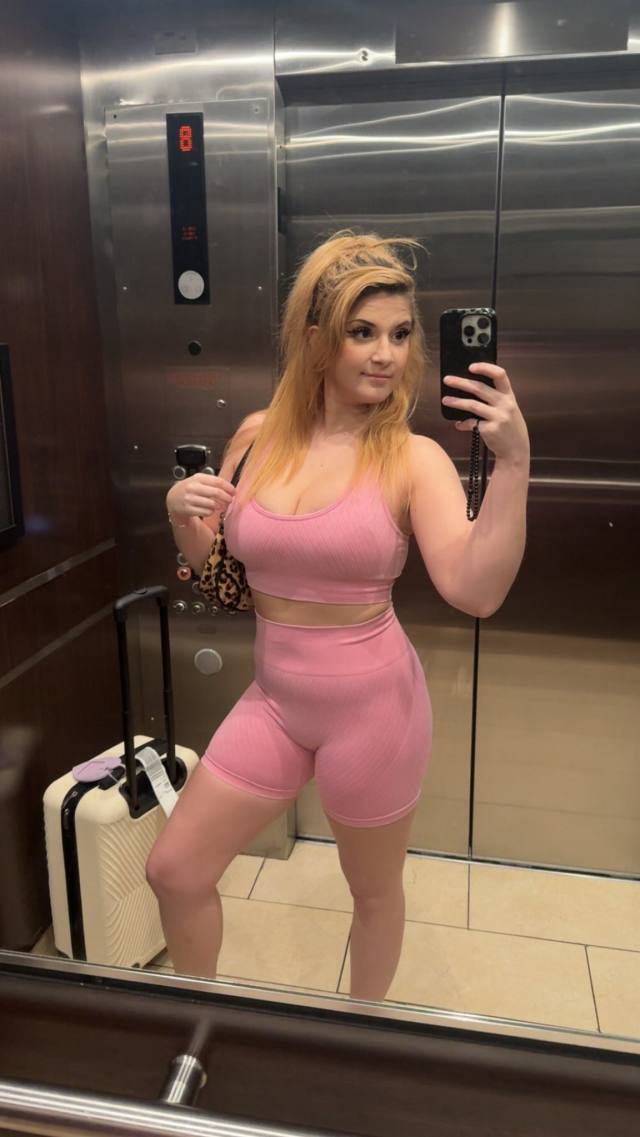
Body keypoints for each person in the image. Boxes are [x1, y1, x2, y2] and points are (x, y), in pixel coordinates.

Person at [147, 229, 530, 1001]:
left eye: (399, 334)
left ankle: (362, 1031)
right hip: (276, 700)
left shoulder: (413, 457)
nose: (386, 354)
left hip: (375, 710)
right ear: (317, 338)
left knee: (373, 891)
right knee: (174, 869)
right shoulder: (256, 436)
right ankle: (197, 1021)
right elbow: (224, 579)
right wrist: (181, 513)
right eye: (363, 332)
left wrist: (515, 462)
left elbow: (475, 590)